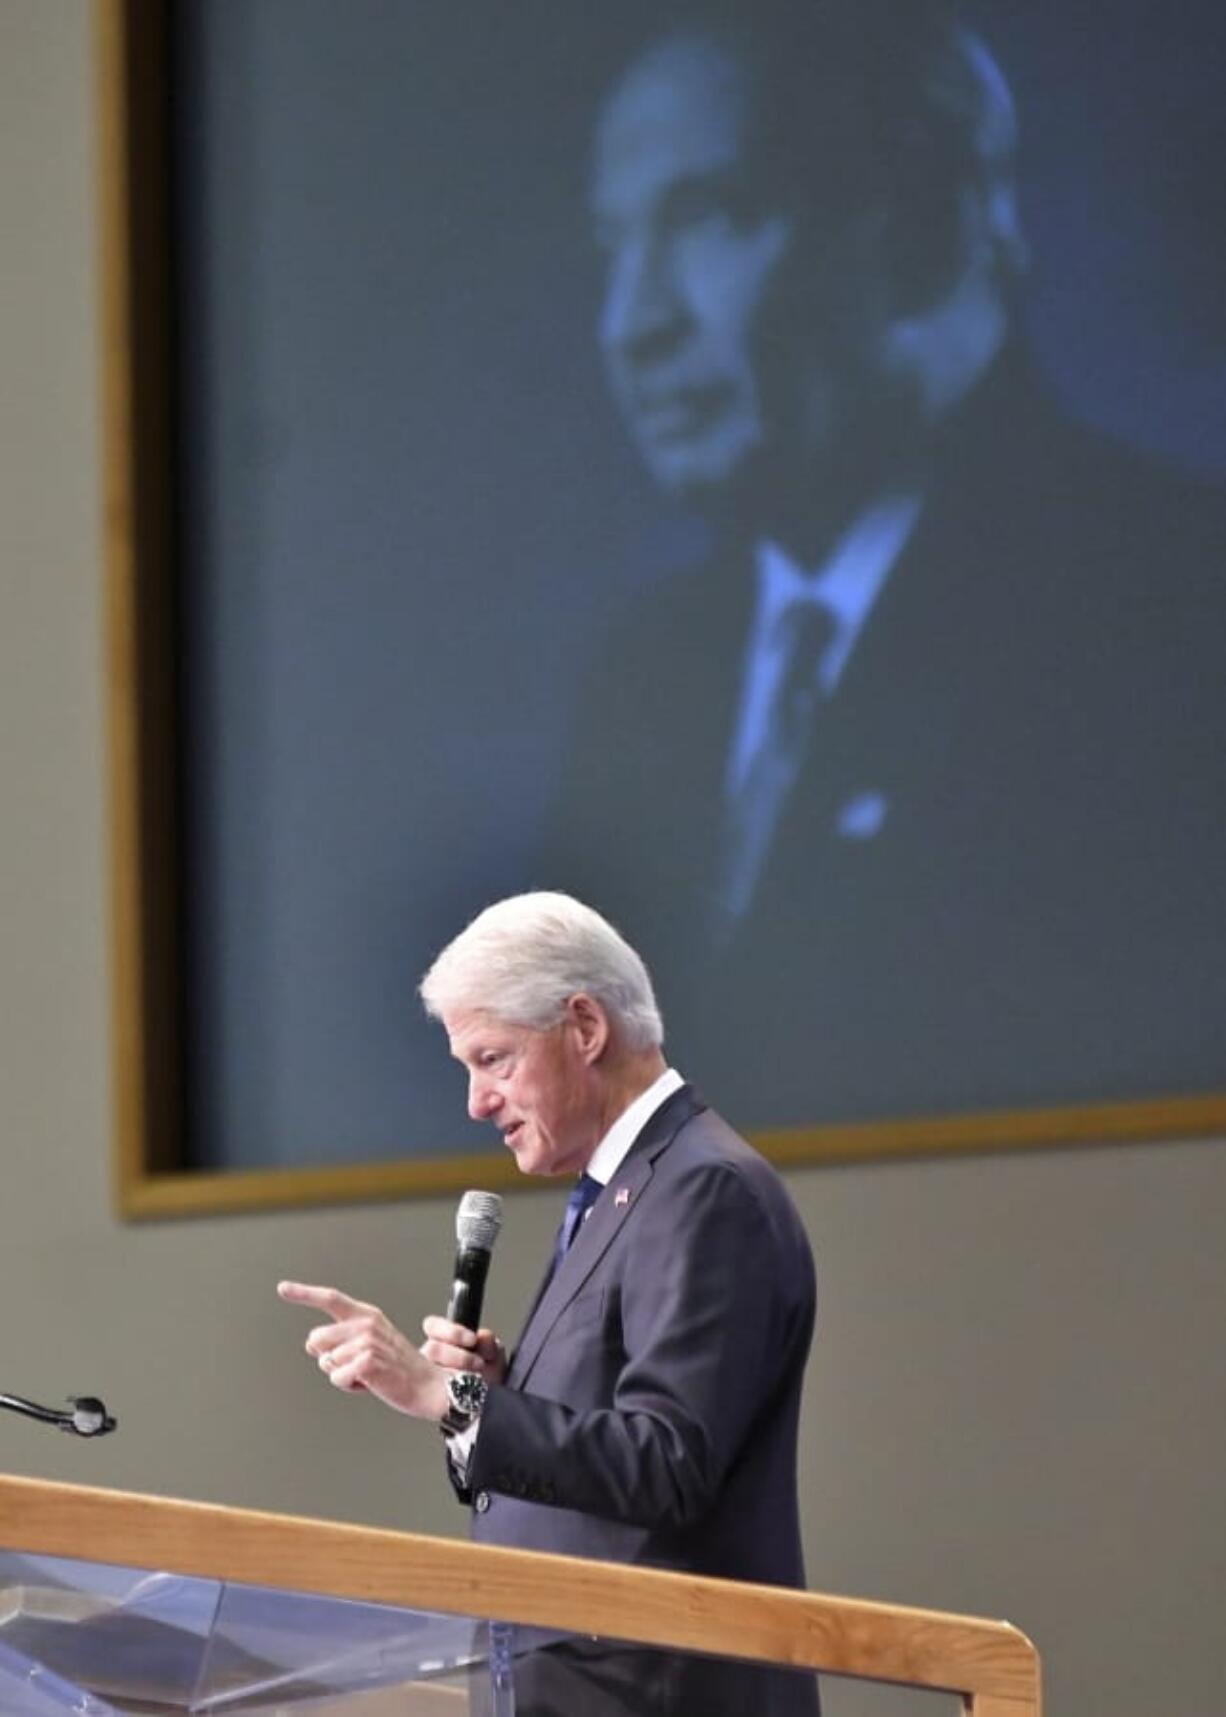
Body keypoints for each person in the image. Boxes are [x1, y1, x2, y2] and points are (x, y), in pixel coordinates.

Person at [543, 0, 1226, 1131]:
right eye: (615, 245)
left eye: (711, 216)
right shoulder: (644, 675)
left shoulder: (1173, 609)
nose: (631, 321)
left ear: (928, 225)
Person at [280, 891, 819, 1714]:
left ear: (586, 1028)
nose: (476, 1102)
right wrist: (493, 1398)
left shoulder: (704, 1188)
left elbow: (669, 1462)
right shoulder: (623, 1191)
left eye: (492, 1059)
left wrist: (449, 1398)